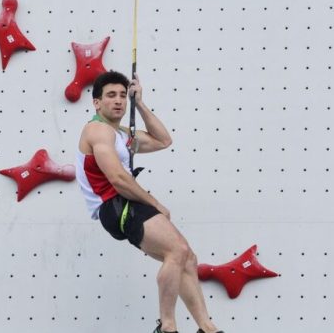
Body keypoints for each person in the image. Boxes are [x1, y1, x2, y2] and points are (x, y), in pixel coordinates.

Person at [75, 71, 224, 333]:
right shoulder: (97, 130)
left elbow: (163, 140)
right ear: (96, 103)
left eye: (123, 95)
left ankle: (207, 327)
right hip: (115, 205)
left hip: (125, 202)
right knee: (177, 251)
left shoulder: (120, 134)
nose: (118, 100)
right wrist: (155, 203)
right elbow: (118, 178)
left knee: (187, 257)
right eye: (111, 95)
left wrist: (140, 104)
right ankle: (167, 327)